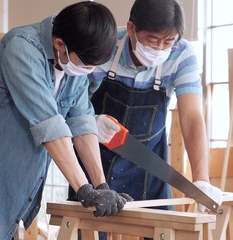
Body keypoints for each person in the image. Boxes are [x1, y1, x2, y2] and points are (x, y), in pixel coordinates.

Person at [0, 2, 132, 240]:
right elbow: (49, 124)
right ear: (60, 44)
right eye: (85, 65)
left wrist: (101, 186)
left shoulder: (74, 67)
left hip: (13, 170)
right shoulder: (22, 48)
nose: (87, 71)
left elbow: (82, 123)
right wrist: (84, 190)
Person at [68, 0, 222, 215]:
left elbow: (192, 117)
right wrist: (88, 122)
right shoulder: (105, 46)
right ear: (131, 28)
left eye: (168, 42)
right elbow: (69, 101)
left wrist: (201, 180)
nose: (159, 48)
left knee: (162, 228)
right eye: (152, 39)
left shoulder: (182, 54)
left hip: (150, 164)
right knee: (90, 230)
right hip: (95, 157)